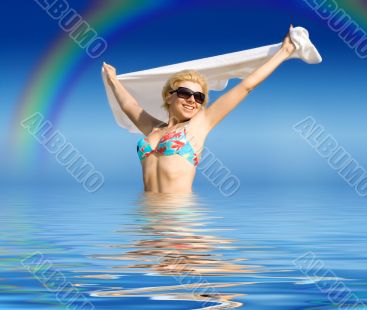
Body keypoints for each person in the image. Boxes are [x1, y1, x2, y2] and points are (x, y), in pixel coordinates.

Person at [103, 25, 296, 194]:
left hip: (179, 220)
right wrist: (113, 80)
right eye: (185, 93)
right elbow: (131, 106)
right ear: (169, 96)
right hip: (147, 217)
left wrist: (284, 52)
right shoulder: (153, 129)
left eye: (199, 97)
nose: (192, 100)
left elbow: (245, 86)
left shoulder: (198, 126)